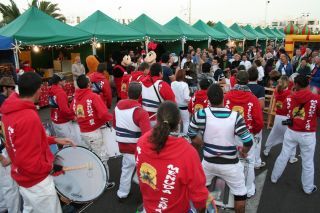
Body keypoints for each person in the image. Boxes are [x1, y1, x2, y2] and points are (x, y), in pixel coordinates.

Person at [1, 72, 74, 213]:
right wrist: (50, 167)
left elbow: (25, 140)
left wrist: (55, 139)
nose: (42, 91)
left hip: (22, 177)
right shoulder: (28, 116)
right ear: (37, 90)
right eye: (41, 88)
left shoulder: (8, 112)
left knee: (30, 208)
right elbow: (29, 160)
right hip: (37, 181)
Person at [136, 101, 211, 212]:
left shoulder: (142, 142)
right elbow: (199, 195)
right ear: (179, 121)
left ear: (157, 119)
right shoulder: (187, 152)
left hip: (149, 208)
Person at [188, 84, 253, 213]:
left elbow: (191, 134)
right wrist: (243, 152)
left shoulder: (201, 114)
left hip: (208, 163)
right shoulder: (235, 116)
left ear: (208, 99)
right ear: (223, 97)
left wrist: (203, 144)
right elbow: (248, 140)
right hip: (230, 165)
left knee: (202, 195)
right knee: (240, 195)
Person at [271, 74, 320, 194]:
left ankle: (274, 177)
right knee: (308, 161)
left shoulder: (290, 97)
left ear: (296, 85)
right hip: (308, 133)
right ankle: (308, 188)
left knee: (284, 154)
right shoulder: (316, 98)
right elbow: (318, 114)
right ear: (308, 85)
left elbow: (285, 110)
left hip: (292, 131)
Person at [224, 71, 264, 197]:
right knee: (249, 161)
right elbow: (258, 121)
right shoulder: (252, 98)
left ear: (235, 80)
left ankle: (233, 187)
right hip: (247, 134)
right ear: (247, 81)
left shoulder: (228, 96)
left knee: (232, 160)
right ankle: (248, 189)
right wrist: (254, 132)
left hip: (230, 133)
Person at [72, 74, 115, 189]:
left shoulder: (76, 97)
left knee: (91, 155)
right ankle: (103, 183)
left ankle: (93, 178)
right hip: (93, 132)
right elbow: (103, 114)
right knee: (102, 157)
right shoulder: (93, 96)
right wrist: (112, 119)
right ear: (88, 84)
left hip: (83, 131)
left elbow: (74, 111)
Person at [114, 82, 151, 201]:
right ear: (140, 95)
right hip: (137, 150)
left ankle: (122, 193)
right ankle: (148, 196)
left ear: (127, 92)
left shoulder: (117, 106)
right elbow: (147, 135)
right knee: (147, 173)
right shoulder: (140, 112)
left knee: (126, 170)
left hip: (123, 147)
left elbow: (115, 125)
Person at [263, 76, 298, 163]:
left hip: (278, 117)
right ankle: (292, 157)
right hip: (287, 118)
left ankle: (267, 149)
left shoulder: (277, 91)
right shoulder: (290, 93)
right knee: (291, 138)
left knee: (273, 134)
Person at [48, 74, 79, 143]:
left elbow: (55, 103)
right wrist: (73, 117)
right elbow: (65, 111)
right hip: (63, 122)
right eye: (64, 80)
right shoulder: (60, 93)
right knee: (71, 143)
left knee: (62, 143)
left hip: (55, 120)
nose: (66, 81)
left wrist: (65, 99)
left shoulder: (51, 90)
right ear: (59, 82)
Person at [246, 67, 266, 169]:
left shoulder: (243, 87)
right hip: (255, 118)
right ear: (257, 77)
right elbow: (262, 105)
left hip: (244, 118)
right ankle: (256, 162)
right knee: (257, 142)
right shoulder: (260, 88)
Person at [171, 69, 190, 134]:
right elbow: (186, 97)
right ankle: (185, 137)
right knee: (186, 122)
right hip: (184, 107)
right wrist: (191, 99)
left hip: (175, 106)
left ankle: (177, 136)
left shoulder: (172, 83)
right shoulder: (185, 85)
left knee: (177, 123)